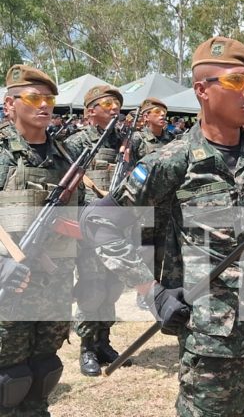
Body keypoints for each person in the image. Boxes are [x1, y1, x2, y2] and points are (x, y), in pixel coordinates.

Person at [80, 36, 244, 416]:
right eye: (236, 82)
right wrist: (150, 291)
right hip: (209, 333)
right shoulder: (173, 160)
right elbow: (99, 221)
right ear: (202, 91)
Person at [0, 64, 74, 415]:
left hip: (54, 282)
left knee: (45, 369)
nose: (44, 105)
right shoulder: (2, 153)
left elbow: (82, 219)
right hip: (9, 286)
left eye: (49, 98)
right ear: (10, 104)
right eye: (33, 98)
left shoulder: (66, 158)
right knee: (8, 377)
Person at [63, 85, 129, 377]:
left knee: (113, 286)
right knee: (92, 287)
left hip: (121, 227)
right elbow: (68, 190)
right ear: (91, 111)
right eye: (107, 103)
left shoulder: (128, 143)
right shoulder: (76, 144)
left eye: (117, 103)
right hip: (90, 229)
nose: (115, 108)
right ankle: (87, 347)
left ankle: (104, 342)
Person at [130, 97, 176, 309]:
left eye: (164, 112)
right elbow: (130, 172)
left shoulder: (173, 138)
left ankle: (157, 288)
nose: (162, 115)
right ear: (146, 116)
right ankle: (143, 292)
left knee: (162, 250)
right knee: (144, 250)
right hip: (145, 206)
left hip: (167, 205)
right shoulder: (138, 139)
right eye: (157, 112)